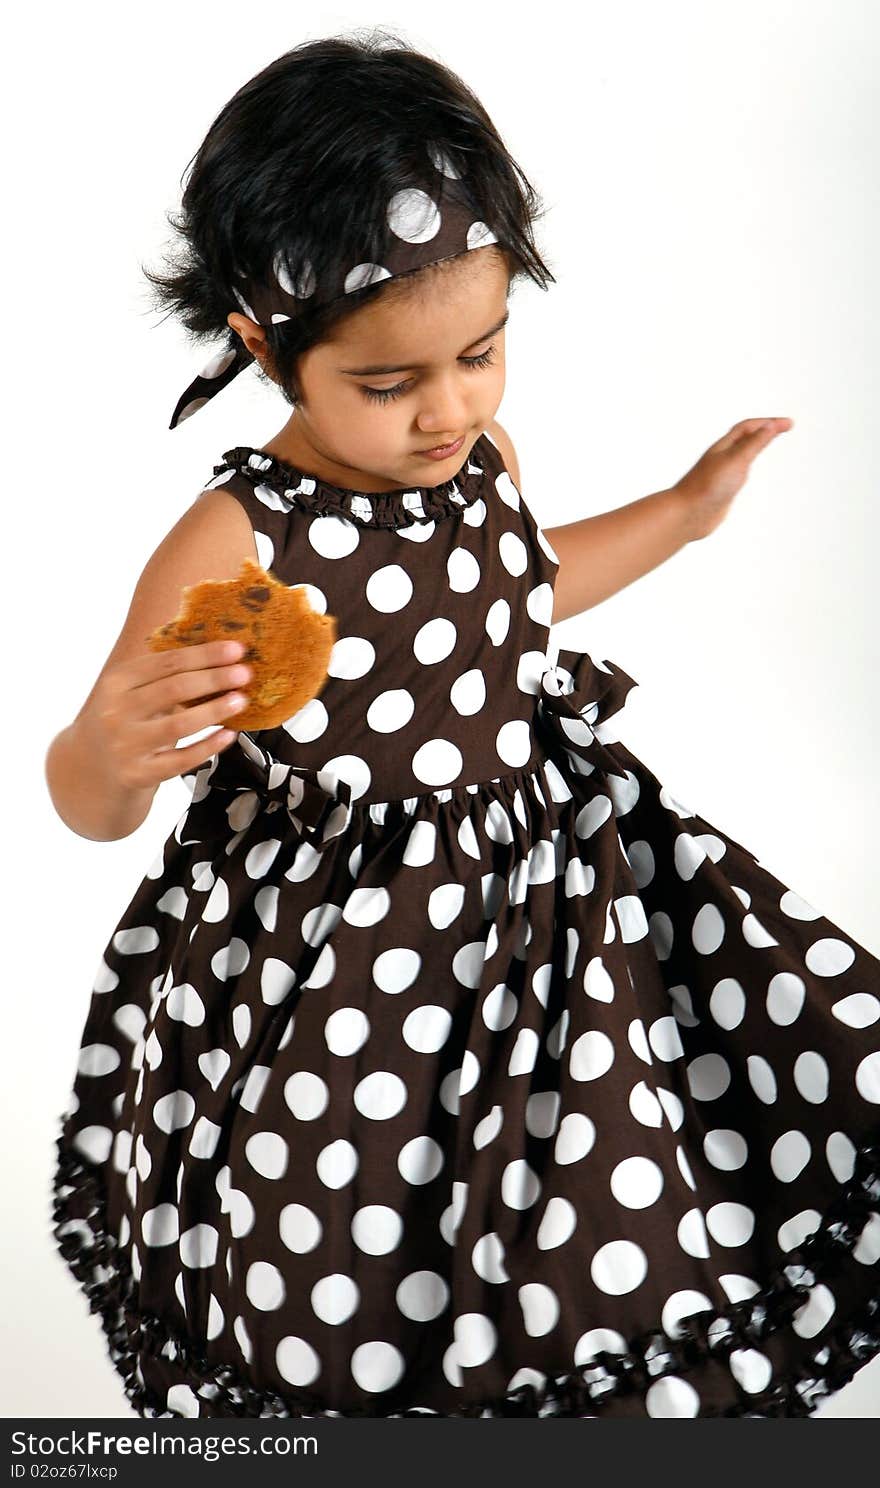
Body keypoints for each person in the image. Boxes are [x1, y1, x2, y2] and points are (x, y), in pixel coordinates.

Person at [45, 31, 880, 1421]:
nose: (450, 411)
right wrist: (104, 757)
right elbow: (95, 789)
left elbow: (516, 587)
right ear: (268, 347)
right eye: (390, 386)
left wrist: (680, 512)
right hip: (344, 970)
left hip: (549, 921)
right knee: (363, 1234)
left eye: (481, 355)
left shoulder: (483, 454)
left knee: (589, 1195)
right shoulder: (234, 541)